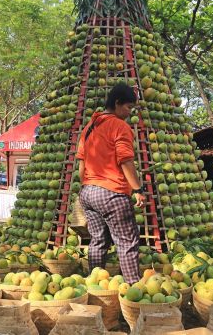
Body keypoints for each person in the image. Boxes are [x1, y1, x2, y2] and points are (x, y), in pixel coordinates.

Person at [77, 83, 144, 284]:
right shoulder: (119, 126)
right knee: (127, 242)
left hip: (88, 193)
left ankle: (94, 284)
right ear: (117, 103)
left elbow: (81, 162)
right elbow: (125, 160)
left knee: (98, 240)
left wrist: (87, 185)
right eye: (128, 108)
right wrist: (138, 189)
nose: (129, 113)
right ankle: (133, 289)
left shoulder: (89, 127)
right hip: (111, 193)